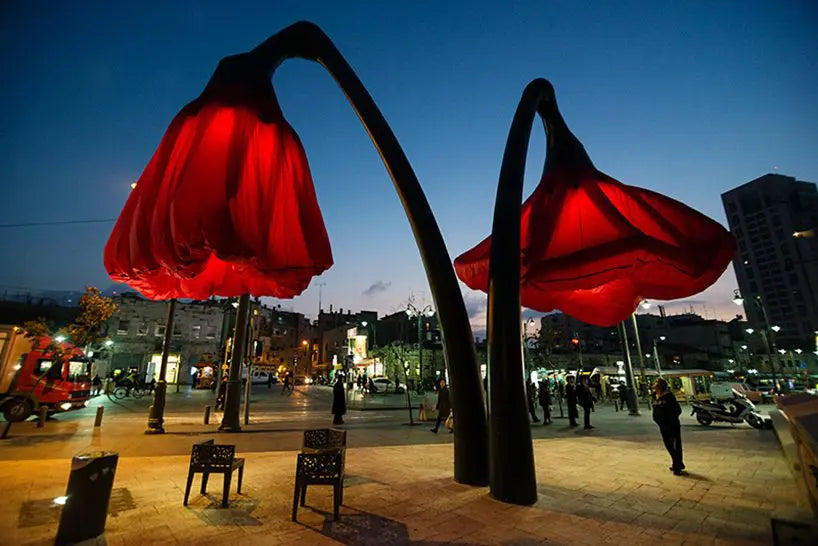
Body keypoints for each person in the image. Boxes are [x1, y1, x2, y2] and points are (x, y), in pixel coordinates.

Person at [652, 377, 685, 475]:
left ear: (661, 385)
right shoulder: (654, 395)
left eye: (656, 382)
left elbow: (677, 410)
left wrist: (670, 420)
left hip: (672, 424)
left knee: (675, 445)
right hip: (662, 425)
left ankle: (677, 466)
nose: (654, 384)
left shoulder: (669, 396)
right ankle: (678, 463)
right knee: (668, 445)